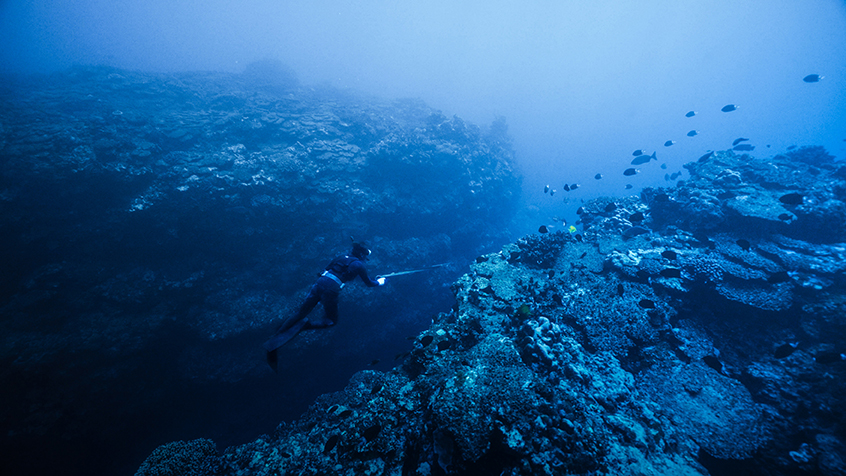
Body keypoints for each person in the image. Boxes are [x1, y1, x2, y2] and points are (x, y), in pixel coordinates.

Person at [264, 241, 385, 369]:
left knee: (301, 312)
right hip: (331, 289)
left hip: (320, 282)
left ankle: (277, 335)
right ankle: (306, 326)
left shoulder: (341, 257)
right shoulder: (359, 265)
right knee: (331, 321)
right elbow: (369, 283)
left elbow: (323, 271)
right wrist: (380, 282)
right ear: (361, 254)